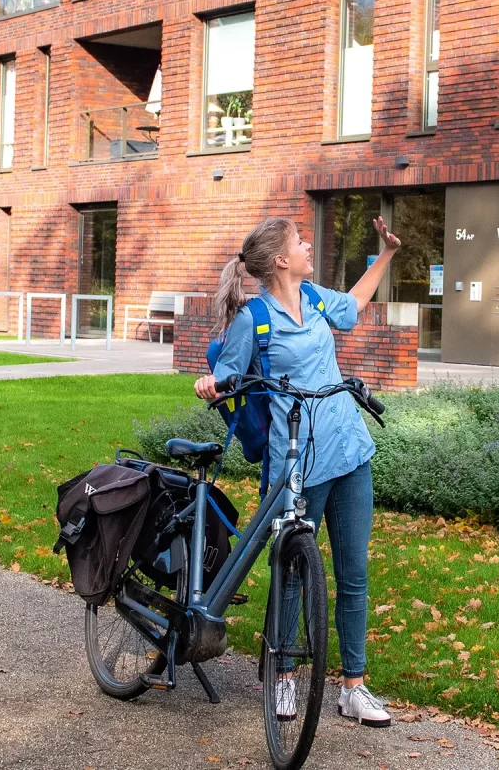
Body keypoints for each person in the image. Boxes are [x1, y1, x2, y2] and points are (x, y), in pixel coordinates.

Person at [196, 214, 399, 728]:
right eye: (299, 242)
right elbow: (226, 375)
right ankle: (283, 676)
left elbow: (352, 308)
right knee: (292, 575)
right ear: (281, 260)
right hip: (298, 463)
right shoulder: (255, 319)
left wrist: (387, 255)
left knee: (354, 574)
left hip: (350, 451)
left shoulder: (313, 298)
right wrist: (209, 383)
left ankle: (353, 687)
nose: (309, 245)